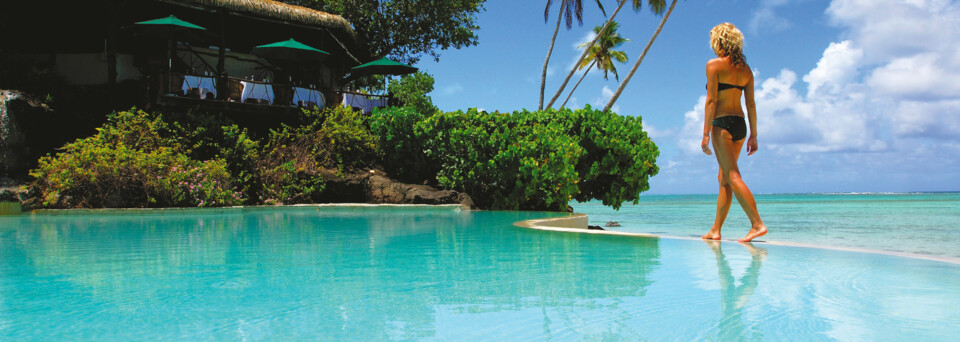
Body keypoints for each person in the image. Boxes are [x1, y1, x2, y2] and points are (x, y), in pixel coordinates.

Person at [700, 23, 767, 242]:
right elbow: (751, 105)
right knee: (724, 178)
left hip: (722, 124)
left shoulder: (714, 65)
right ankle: (716, 230)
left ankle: (757, 224)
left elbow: (711, 100)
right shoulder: (746, 70)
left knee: (732, 175)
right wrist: (754, 135)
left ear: (719, 41)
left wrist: (706, 133)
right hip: (740, 125)